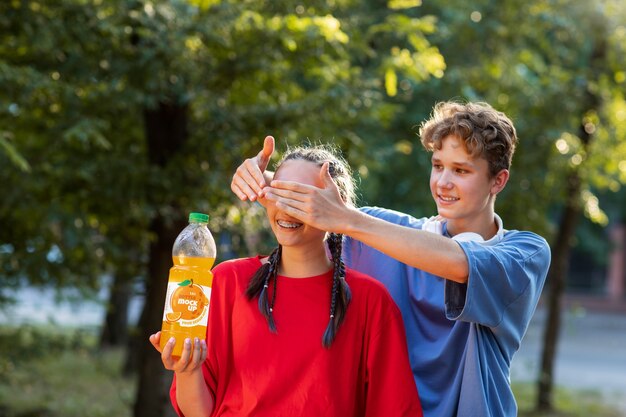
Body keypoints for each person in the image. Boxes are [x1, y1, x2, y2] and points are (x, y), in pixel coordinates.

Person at [231, 101, 552, 417]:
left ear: (498, 180)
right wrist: (264, 182)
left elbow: (460, 264)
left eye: (461, 170)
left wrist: (348, 220)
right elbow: (313, 213)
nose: (443, 183)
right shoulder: (382, 231)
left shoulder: (523, 253)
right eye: (438, 165)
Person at [150, 145, 423, 417]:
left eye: (300, 198)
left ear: (334, 211)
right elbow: (198, 412)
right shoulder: (227, 280)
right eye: (279, 193)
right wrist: (187, 370)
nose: (286, 208)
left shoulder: (371, 302)